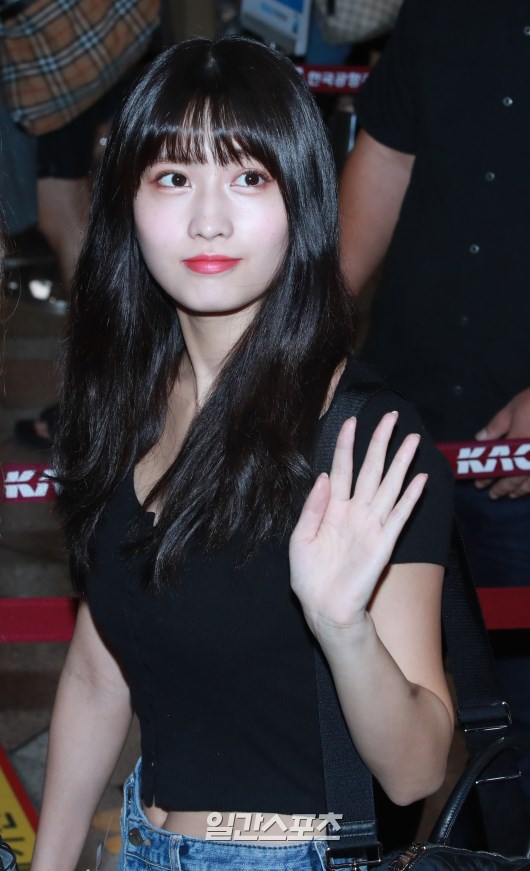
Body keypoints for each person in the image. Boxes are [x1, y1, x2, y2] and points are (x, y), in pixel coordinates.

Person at [30, 37, 455, 871]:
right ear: (128, 199)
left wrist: (344, 626)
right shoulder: (121, 407)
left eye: (249, 177)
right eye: (173, 177)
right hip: (141, 841)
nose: (209, 220)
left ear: (303, 199)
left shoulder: (365, 440)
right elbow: (97, 671)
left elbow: (416, 771)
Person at [339, 0, 530, 810]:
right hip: (402, 408)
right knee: (372, 690)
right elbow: (387, 159)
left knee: (516, 719)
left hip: (515, 448)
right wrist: (305, 332)